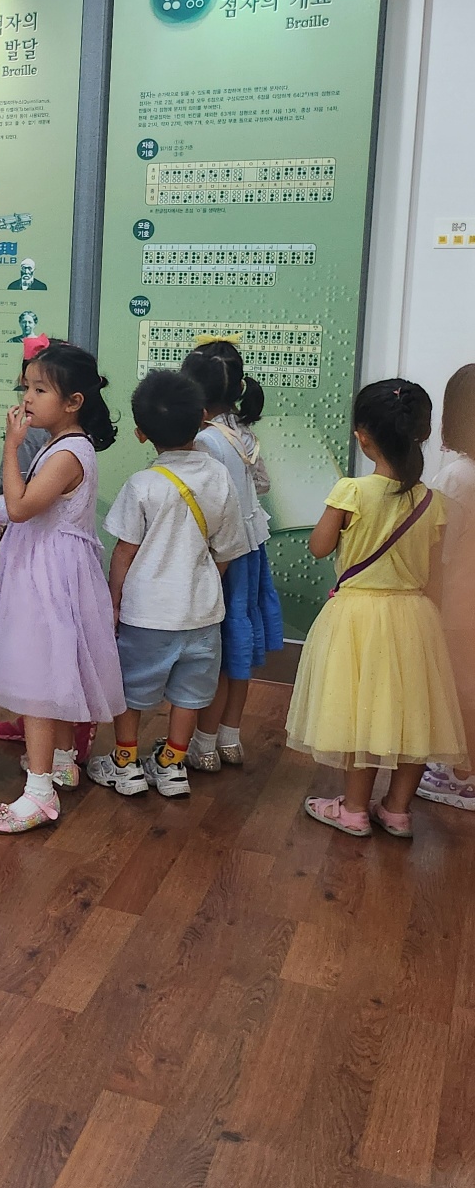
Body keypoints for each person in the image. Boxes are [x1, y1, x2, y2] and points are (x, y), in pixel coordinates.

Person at [287, 379, 466, 837]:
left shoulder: (351, 491)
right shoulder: (433, 501)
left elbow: (319, 547)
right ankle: (397, 811)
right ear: (422, 434)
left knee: (359, 713)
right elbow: (434, 577)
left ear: (362, 436)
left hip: (358, 618)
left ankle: (352, 810)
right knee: (416, 716)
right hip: (415, 617)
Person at [0, 337, 126, 833]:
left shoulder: (68, 451)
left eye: (40, 390)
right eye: (26, 387)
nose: (27, 398)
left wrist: (9, 446)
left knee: (40, 679)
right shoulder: (61, 443)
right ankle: (62, 759)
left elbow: (20, 506)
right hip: (48, 565)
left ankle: (40, 793)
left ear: (73, 402)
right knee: (55, 666)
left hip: (47, 572)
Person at [87, 371, 249, 799]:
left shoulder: (142, 484)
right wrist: (205, 585)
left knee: (131, 690)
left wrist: (114, 602)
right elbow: (227, 549)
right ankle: (171, 765)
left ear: (140, 433)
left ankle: (126, 764)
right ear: (202, 418)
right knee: (189, 693)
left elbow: (124, 551)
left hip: (147, 613)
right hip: (202, 613)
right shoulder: (219, 477)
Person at [179, 340, 283, 772]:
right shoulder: (242, 431)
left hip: (221, 555)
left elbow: (203, 503)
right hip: (250, 550)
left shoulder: (205, 440)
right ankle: (229, 739)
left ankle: (202, 745)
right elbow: (262, 485)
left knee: (215, 650)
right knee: (237, 647)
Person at [419, 365, 475, 808]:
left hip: (459, 603)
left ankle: (461, 775)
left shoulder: (458, 477)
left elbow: (439, 549)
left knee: (461, 688)